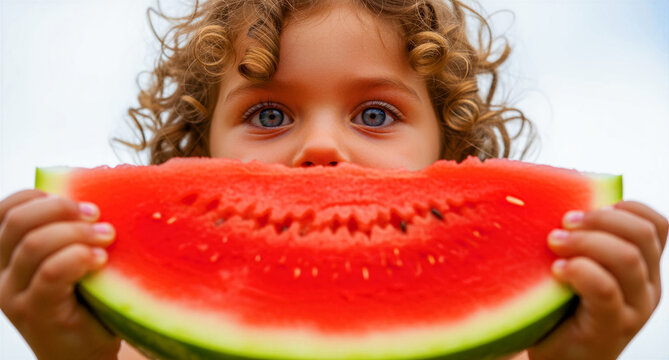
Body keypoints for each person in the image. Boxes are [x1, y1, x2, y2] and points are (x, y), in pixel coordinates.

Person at [0, 0, 666, 359]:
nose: (320, 146)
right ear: (200, 152)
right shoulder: (146, 349)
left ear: (450, 150)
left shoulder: (500, 352)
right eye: (268, 113)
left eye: (374, 114)